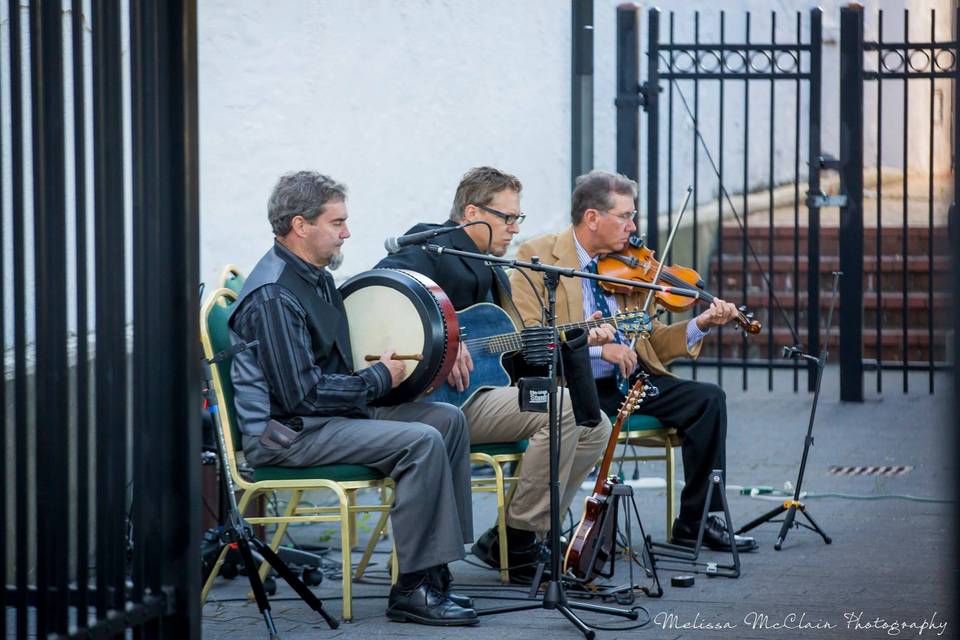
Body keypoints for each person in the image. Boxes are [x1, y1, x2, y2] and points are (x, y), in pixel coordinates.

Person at [229, 171, 477, 626]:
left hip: (326, 418)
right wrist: (381, 377)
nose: (348, 232)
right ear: (301, 225)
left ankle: (435, 569)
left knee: (447, 419)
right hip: (289, 433)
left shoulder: (317, 275)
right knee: (419, 440)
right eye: (337, 222)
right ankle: (412, 589)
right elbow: (302, 394)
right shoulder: (274, 295)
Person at [377, 166, 614, 583]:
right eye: (507, 218)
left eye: (517, 219)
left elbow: (508, 348)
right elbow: (380, 289)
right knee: (566, 410)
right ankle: (521, 545)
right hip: (433, 402)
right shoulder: (432, 245)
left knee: (594, 421)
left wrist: (575, 339)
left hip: (480, 391)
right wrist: (443, 340)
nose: (514, 228)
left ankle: (512, 534)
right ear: (471, 212)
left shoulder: (490, 267)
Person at [510, 169, 756, 552]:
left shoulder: (626, 266)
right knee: (581, 417)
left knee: (708, 400)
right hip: (577, 386)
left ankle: (698, 521)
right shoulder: (537, 256)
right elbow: (533, 334)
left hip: (630, 380)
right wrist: (595, 348)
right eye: (625, 216)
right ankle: (539, 532)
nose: (633, 226)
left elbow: (652, 340)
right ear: (592, 218)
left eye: (633, 215)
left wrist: (700, 324)